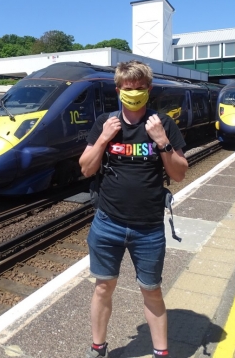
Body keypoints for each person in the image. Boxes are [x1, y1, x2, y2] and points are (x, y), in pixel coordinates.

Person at [79, 61, 188, 358]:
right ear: (118, 91)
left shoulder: (162, 124)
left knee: (151, 290)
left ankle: (161, 352)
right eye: (128, 89)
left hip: (149, 228)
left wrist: (162, 142)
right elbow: (86, 169)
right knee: (103, 287)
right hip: (107, 223)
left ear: (149, 90)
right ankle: (98, 348)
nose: (134, 94)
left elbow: (179, 173)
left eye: (140, 89)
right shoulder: (106, 122)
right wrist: (103, 138)